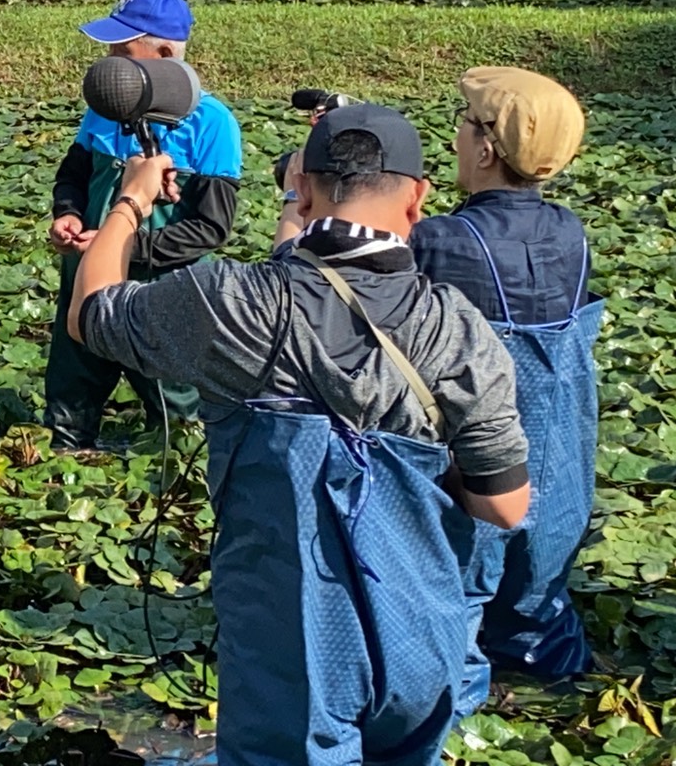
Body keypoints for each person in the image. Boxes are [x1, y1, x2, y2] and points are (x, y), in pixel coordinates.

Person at [70, 104, 531, 766]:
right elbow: (505, 506)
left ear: (305, 191)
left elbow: (92, 315)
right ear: (420, 197)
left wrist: (130, 203)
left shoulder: (229, 302)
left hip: (290, 639)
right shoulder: (458, 329)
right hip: (419, 631)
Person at [409, 67, 601, 715]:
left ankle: (454, 726)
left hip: (481, 479)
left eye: (464, 126)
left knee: (454, 614)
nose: (456, 137)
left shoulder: (438, 241)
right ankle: (563, 719)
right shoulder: (570, 233)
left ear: (487, 148)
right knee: (538, 614)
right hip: (562, 480)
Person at [44, 0, 242, 451]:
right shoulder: (104, 109)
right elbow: (72, 175)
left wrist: (120, 244)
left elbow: (210, 229)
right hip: (85, 281)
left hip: (163, 295)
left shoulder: (213, 124)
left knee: (180, 426)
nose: (110, 62)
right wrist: (67, 215)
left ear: (167, 53)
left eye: (123, 50)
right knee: (69, 408)